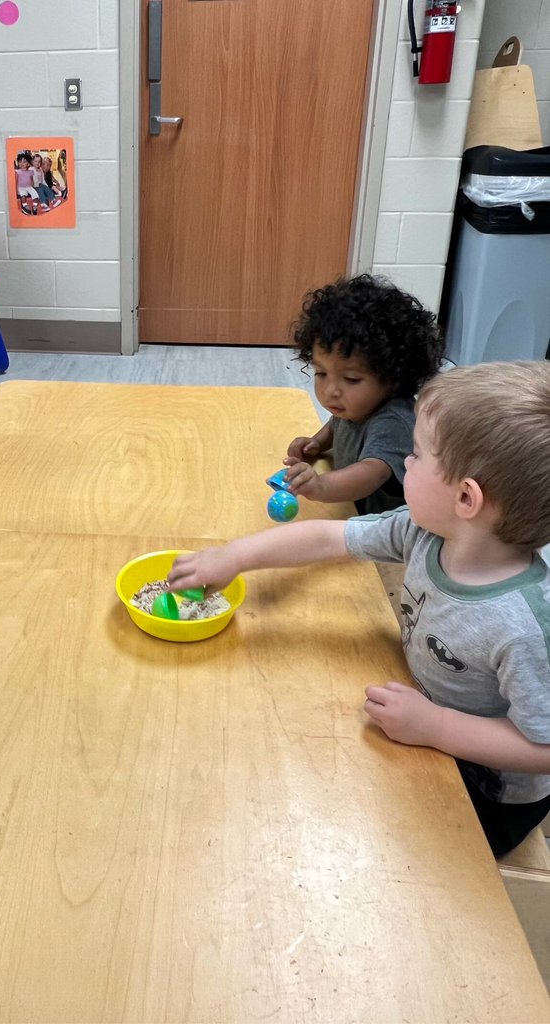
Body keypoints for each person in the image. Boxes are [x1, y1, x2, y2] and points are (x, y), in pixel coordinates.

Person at [169, 361, 550, 858]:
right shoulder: (426, 531)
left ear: (465, 497)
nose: (405, 462)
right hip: (422, 712)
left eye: (417, 454)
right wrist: (234, 557)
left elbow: (543, 748)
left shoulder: (523, 627)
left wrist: (436, 727)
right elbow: (330, 537)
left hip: (488, 794)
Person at [285, 274, 442, 515]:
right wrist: (317, 442)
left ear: (394, 378)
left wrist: (321, 485)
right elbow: (337, 424)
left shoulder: (393, 422)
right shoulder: (354, 404)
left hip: (385, 525)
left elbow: (369, 472)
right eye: (321, 373)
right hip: (351, 509)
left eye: (351, 379)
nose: (330, 390)